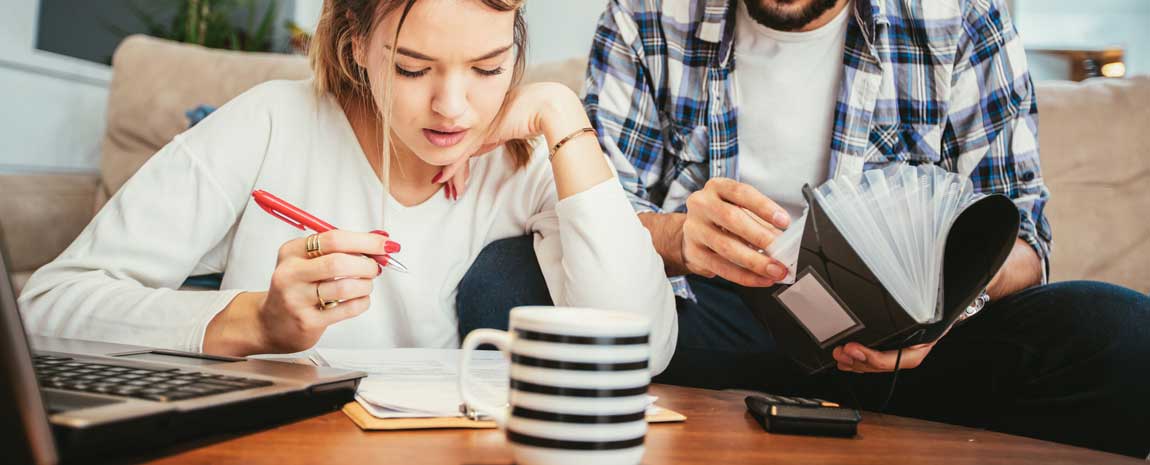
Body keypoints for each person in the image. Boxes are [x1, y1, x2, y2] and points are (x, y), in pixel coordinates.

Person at [576, 0, 1150, 457]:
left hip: (916, 346)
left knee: (1126, 335)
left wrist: (947, 309)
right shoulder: (644, 14)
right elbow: (592, 214)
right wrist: (677, 238)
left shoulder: (964, 16)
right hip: (717, 316)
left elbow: (1028, 244)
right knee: (512, 284)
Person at [17, 0, 678, 376]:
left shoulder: (525, 159)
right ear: (358, 44)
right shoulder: (271, 122)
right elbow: (45, 306)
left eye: (487, 67)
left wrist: (564, 116)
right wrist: (254, 320)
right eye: (414, 68)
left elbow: (641, 347)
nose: (453, 107)